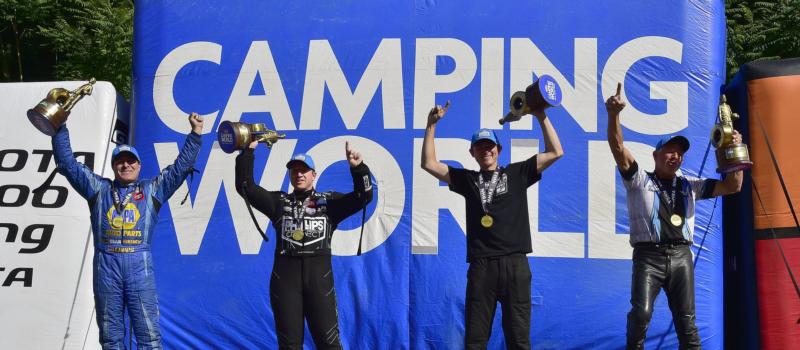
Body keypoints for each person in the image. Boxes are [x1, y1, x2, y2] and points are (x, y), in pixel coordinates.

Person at [605, 83, 743, 349]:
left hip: (681, 257)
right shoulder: (639, 179)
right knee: (641, 314)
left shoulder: (689, 185)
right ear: (655, 155)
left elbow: (733, 186)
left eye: (680, 152)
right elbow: (618, 147)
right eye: (669, 150)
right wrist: (614, 115)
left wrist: (735, 150)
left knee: (687, 323)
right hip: (649, 256)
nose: (675, 155)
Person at [52, 112, 203, 349]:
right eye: (120, 161)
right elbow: (68, 165)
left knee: (148, 336)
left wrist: (195, 134)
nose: (126, 165)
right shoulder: (98, 189)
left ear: (139, 165)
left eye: (131, 161)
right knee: (111, 337)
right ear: (114, 166)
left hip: (139, 267)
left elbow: (180, 168)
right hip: (106, 266)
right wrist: (60, 127)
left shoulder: (153, 189)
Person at [421, 101, 564, 349]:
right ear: (472, 153)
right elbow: (429, 163)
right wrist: (431, 125)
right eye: (480, 147)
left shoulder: (517, 173)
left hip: (515, 264)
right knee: (475, 342)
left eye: (490, 146)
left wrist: (541, 115)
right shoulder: (467, 179)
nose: (485, 151)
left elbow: (556, 152)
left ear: (499, 149)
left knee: (518, 341)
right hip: (482, 267)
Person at [235, 140, 373, 349]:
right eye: (294, 171)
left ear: (313, 175)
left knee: (329, 344)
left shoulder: (329, 202)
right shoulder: (278, 202)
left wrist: (359, 169)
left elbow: (364, 196)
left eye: (304, 171)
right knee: (289, 346)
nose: (299, 174)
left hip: (319, 281)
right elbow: (246, 187)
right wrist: (248, 151)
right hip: (285, 280)